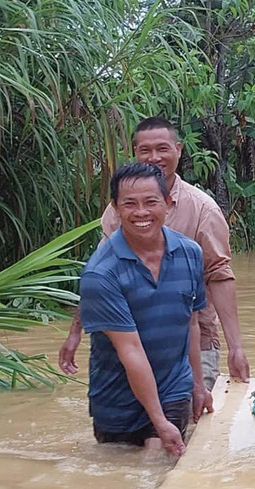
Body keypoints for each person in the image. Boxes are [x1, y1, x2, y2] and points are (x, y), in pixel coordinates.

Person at [59, 117, 250, 389]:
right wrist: (75, 332)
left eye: (163, 149)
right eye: (145, 150)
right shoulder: (119, 210)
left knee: (188, 423)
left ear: (178, 150)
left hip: (193, 343)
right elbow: (99, 275)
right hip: (130, 341)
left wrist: (236, 348)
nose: (154, 158)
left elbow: (219, 275)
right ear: (135, 153)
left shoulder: (202, 210)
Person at [80, 163, 214, 457]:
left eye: (151, 202)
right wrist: (157, 419)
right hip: (116, 402)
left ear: (167, 204)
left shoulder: (190, 253)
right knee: (123, 485)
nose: (141, 212)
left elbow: (190, 324)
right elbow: (131, 352)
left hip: (172, 388)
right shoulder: (101, 273)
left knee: (155, 466)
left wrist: (197, 385)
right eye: (130, 204)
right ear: (115, 209)